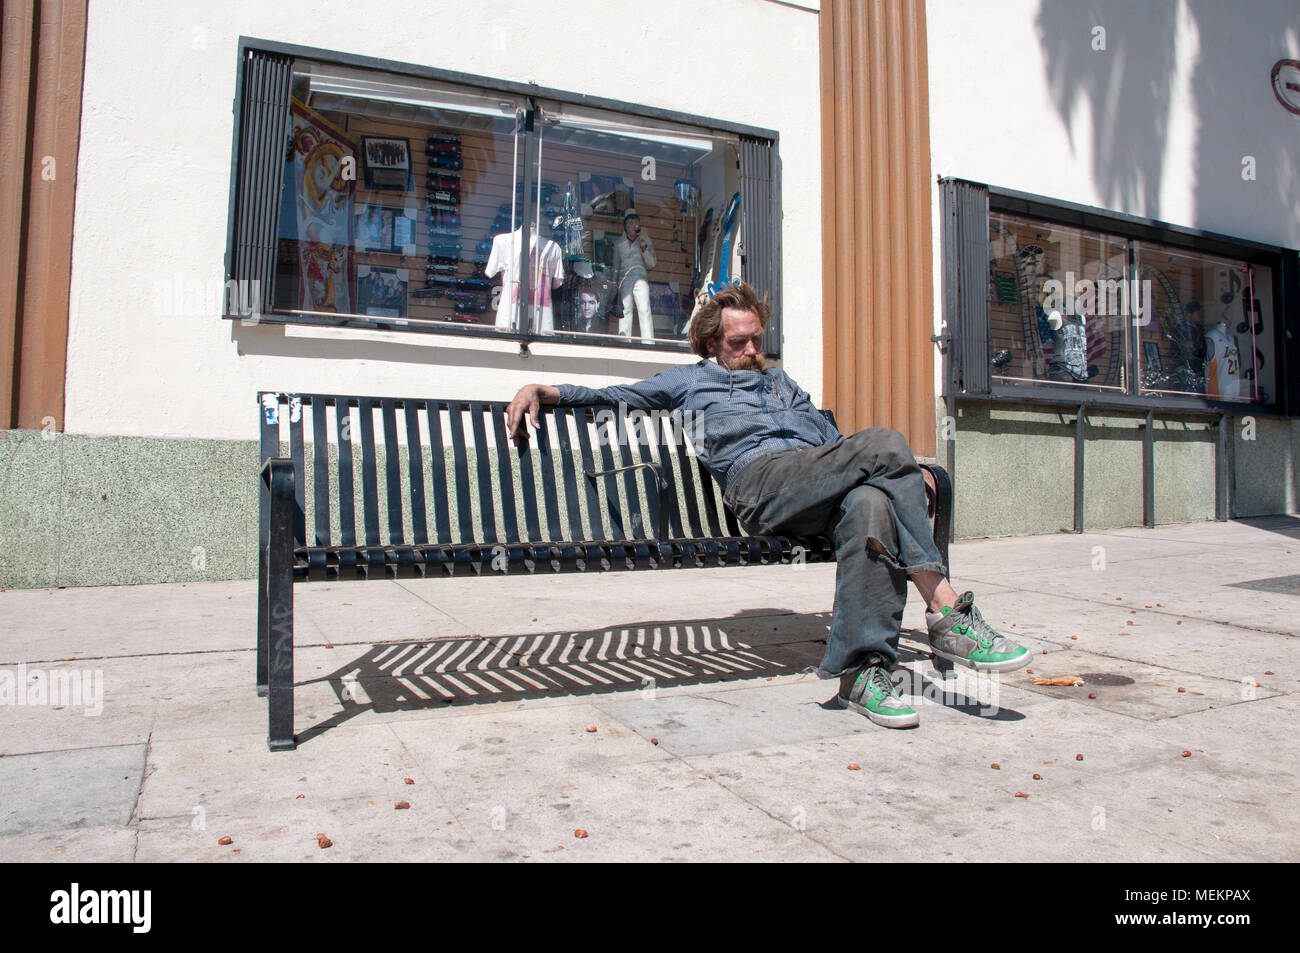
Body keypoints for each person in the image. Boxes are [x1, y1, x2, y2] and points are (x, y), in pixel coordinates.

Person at [504, 281, 1030, 729]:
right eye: (740, 341)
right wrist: (541, 389)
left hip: (813, 486)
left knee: (871, 501)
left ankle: (861, 675)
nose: (753, 347)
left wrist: (897, 478)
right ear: (712, 344)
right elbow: (616, 394)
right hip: (760, 486)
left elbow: (835, 443)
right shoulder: (688, 382)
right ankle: (944, 608)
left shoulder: (782, 382)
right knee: (889, 444)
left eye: (757, 337)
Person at [612, 208, 656, 342]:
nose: (633, 225)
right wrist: (614, 285)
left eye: (635, 222)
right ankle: (624, 340)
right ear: (625, 225)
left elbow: (652, 263)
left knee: (644, 308)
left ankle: (648, 341)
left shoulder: (644, 240)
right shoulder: (619, 244)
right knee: (625, 309)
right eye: (630, 222)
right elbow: (615, 266)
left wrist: (644, 247)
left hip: (640, 276)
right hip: (625, 278)